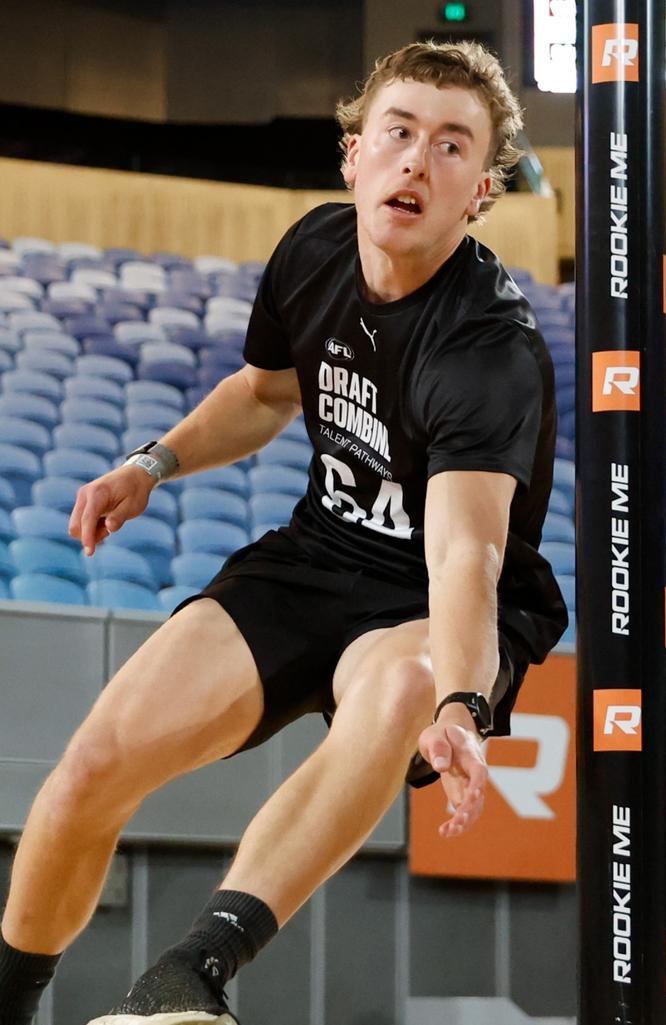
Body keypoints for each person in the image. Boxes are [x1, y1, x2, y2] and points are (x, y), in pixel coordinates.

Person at [0, 40, 566, 1025]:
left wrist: (466, 700)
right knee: (90, 768)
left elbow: (464, 554)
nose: (417, 160)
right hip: (317, 556)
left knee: (399, 683)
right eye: (398, 132)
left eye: (450, 145)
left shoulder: (488, 347)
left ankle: (194, 971)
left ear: (481, 190)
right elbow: (265, 393)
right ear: (354, 154)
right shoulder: (313, 252)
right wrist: (153, 462)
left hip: (437, 601)